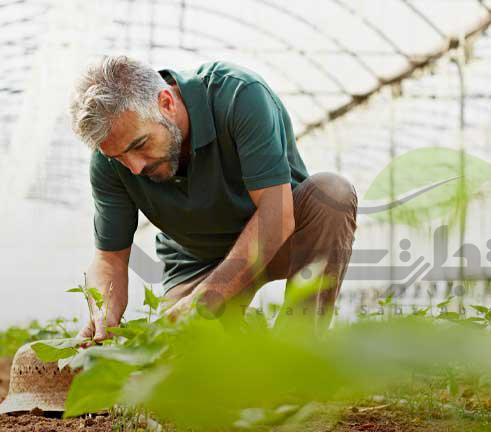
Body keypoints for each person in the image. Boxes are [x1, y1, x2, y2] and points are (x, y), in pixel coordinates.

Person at [68, 56, 357, 340]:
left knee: (332, 194)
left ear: (166, 103)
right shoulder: (109, 162)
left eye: (140, 145)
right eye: (118, 158)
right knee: (192, 360)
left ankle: (299, 348)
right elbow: (109, 259)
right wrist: (104, 313)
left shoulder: (239, 95)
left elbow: (277, 214)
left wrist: (205, 299)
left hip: (281, 237)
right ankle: (246, 343)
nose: (135, 167)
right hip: (196, 265)